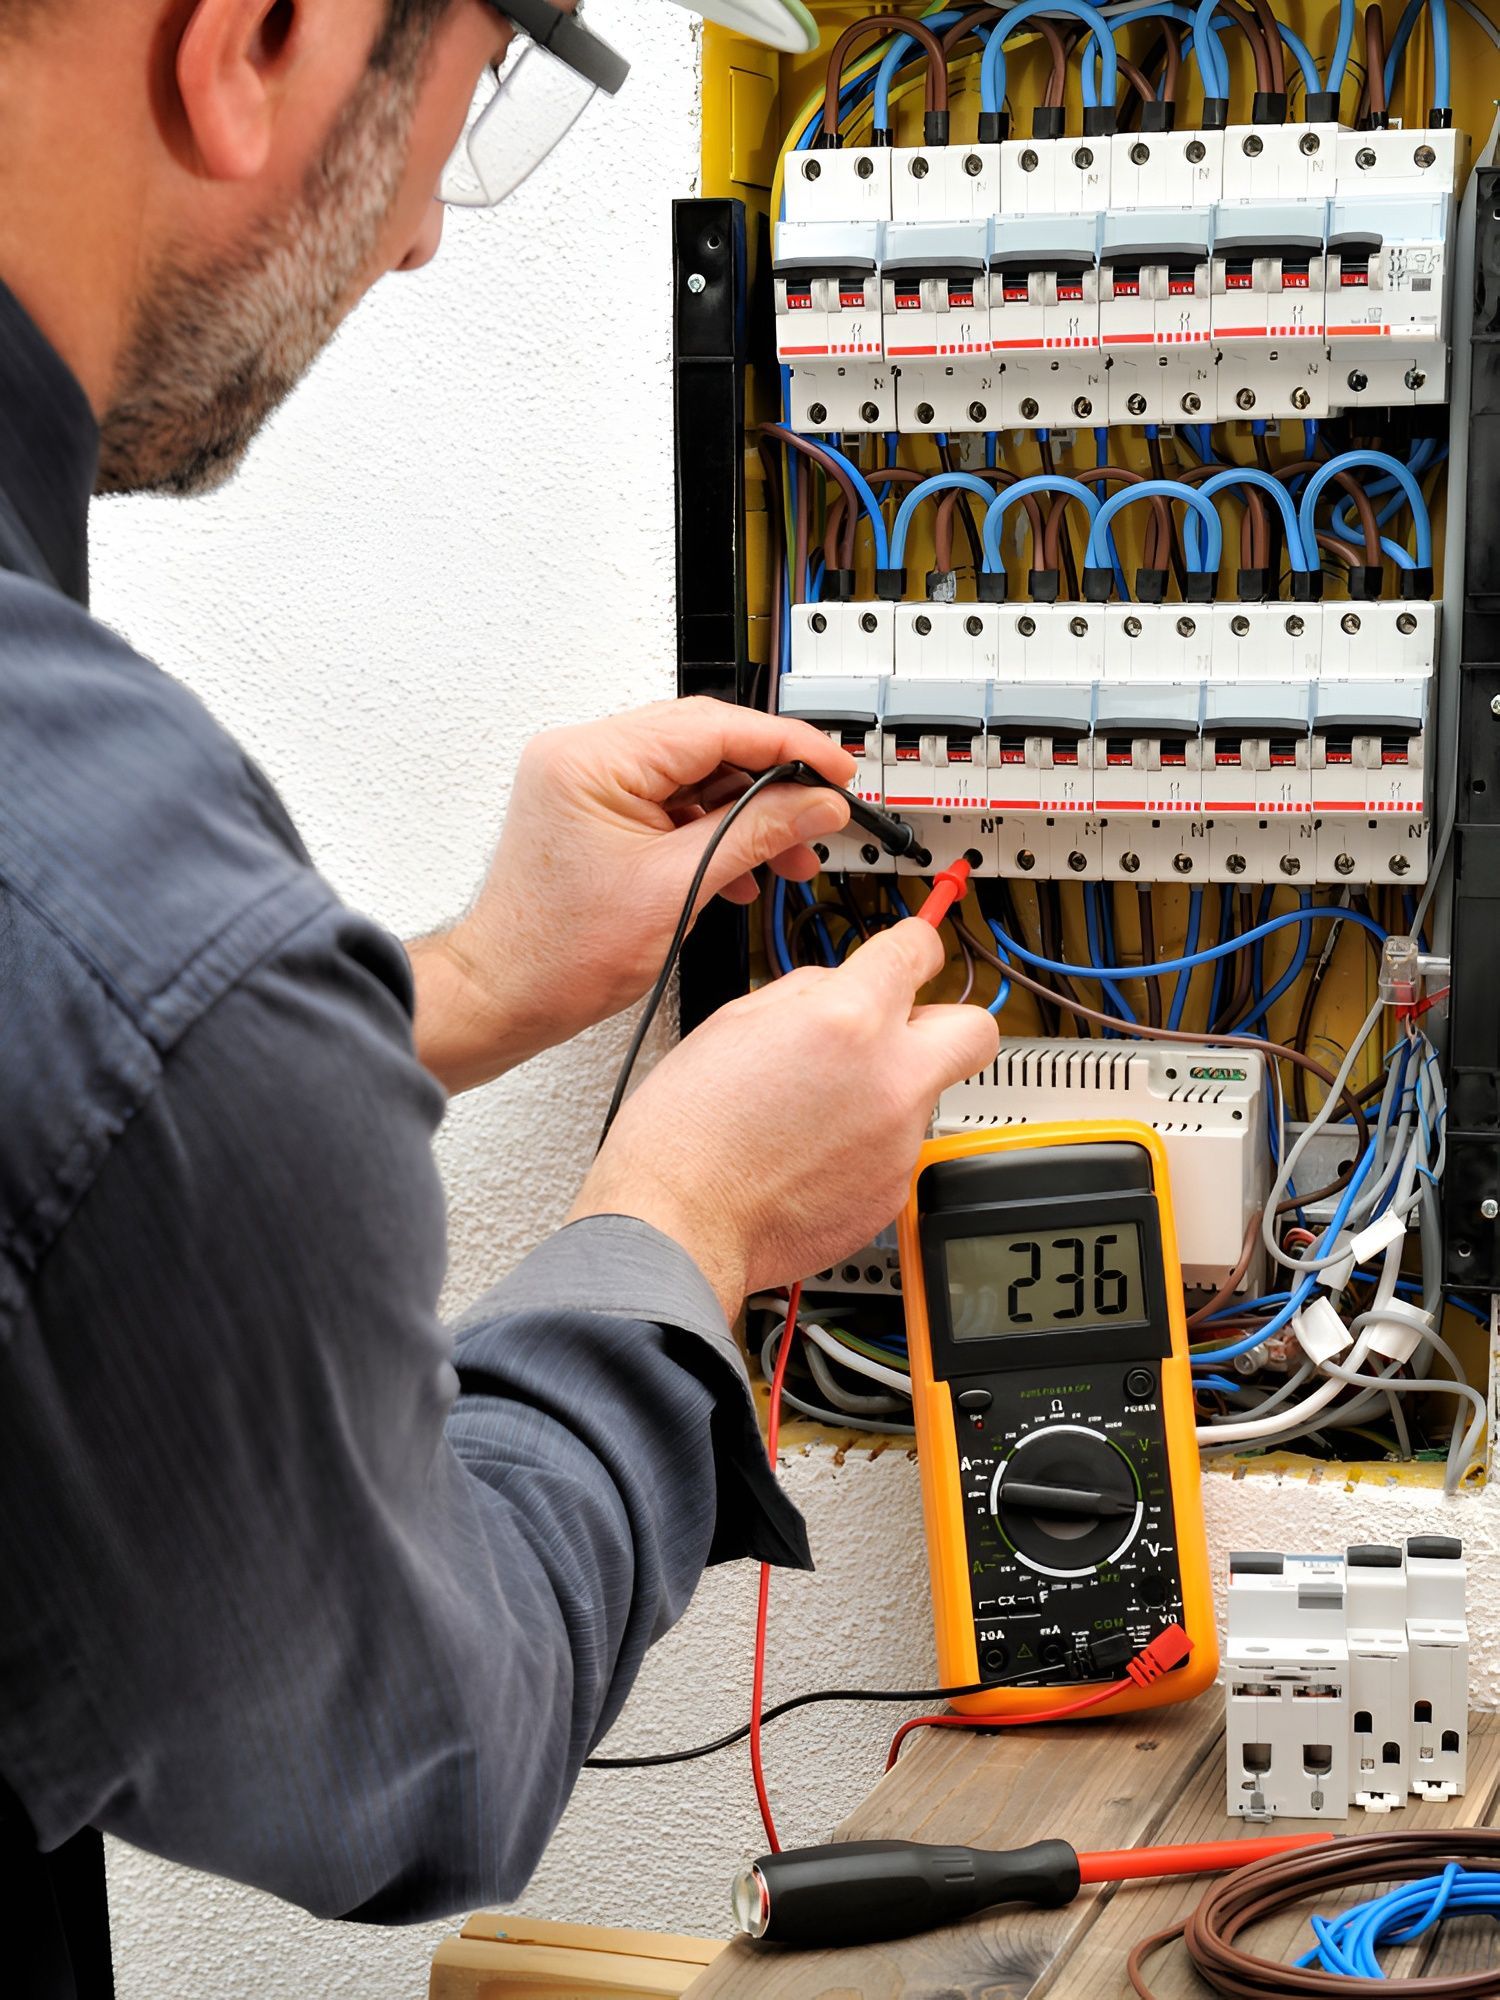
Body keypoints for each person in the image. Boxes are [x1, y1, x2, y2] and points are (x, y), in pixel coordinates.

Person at [0, 1, 999, 1991]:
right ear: (251, 40)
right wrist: (682, 1221)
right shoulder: (111, 897)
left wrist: (460, 985)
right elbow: (411, 1753)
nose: (422, 243)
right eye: (462, 111)